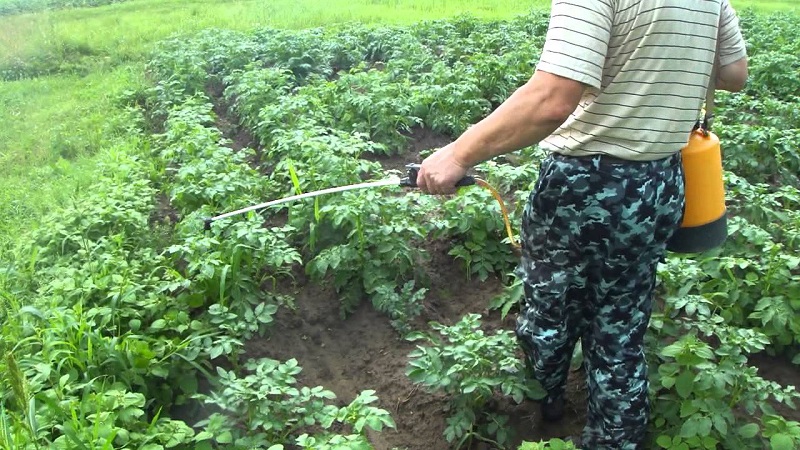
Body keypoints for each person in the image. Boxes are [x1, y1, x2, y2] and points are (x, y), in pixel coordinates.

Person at [416, 0, 748, 448]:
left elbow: (553, 100)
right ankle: (617, 438)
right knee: (622, 322)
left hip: (584, 186)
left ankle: (547, 397)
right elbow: (734, 74)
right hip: (661, 181)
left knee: (551, 307)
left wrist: (457, 154)